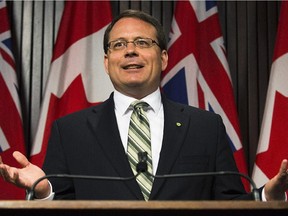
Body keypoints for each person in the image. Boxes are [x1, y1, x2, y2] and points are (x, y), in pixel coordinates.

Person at [0, 10, 288, 201]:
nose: (130, 51)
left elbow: (229, 203)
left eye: (141, 42)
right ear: (106, 61)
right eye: (118, 45)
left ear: (163, 58)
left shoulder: (205, 126)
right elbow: (61, 203)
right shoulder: (70, 130)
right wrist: (45, 190)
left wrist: (266, 196)